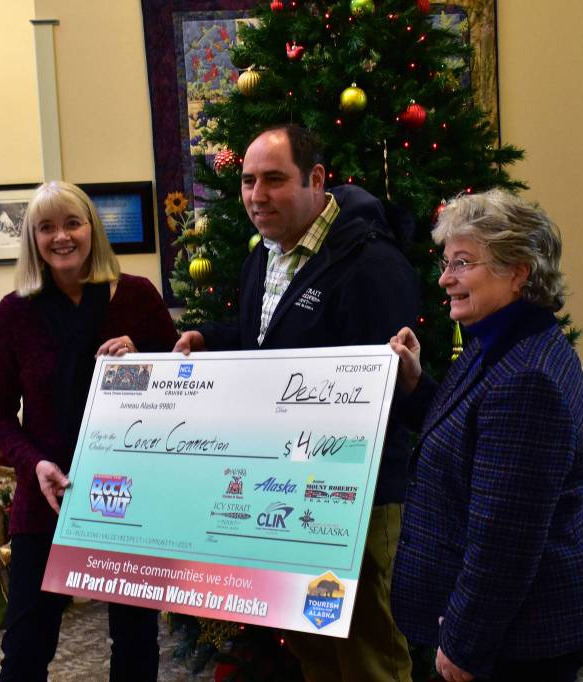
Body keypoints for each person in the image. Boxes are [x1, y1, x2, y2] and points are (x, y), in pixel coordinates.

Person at [175, 124, 418, 682]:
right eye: (247, 181)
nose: (257, 196)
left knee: (366, 650)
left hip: (357, 495)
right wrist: (210, 338)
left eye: (274, 180)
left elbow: (388, 389)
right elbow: (265, 340)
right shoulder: (265, 255)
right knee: (313, 642)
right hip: (288, 490)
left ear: (316, 180)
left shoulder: (372, 265)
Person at [389, 189, 583, 682]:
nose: (446, 279)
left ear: (519, 272)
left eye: (463, 263)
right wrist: (413, 383)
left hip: (526, 634)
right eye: (447, 263)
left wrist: (466, 643)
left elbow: (505, 540)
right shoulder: (500, 340)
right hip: (516, 623)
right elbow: (468, 439)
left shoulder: (525, 376)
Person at [0, 180, 178, 681]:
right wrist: (35, 465)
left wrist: (145, 363)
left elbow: (184, 388)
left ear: (92, 228)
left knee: (135, 640)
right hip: (48, 492)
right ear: (32, 238)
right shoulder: (13, 312)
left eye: (72, 222)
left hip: (128, 492)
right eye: (46, 227)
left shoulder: (136, 296)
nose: (61, 237)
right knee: (27, 643)